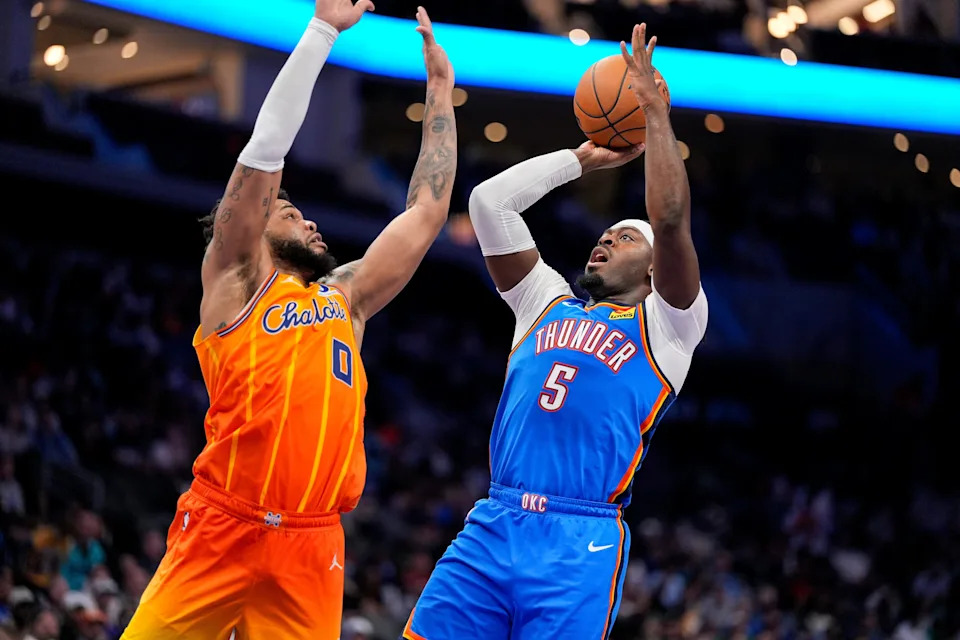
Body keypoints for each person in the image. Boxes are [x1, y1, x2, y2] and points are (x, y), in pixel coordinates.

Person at [122, 2, 457, 638]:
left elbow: (427, 211)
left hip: (312, 546)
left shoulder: (346, 299)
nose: (306, 219)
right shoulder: (235, 279)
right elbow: (265, 150)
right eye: (288, 210)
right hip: (224, 526)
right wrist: (322, 31)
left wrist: (440, 91)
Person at [403, 24, 706, 640]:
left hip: (579, 541)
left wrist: (652, 118)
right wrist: (586, 157)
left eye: (623, 238)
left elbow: (670, 220)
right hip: (495, 520)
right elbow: (490, 203)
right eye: (604, 234)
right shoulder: (545, 301)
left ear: (651, 267)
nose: (604, 240)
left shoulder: (670, 324)